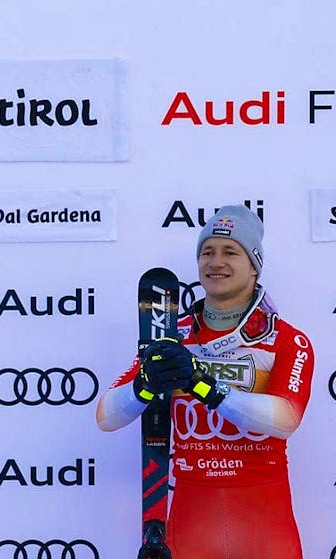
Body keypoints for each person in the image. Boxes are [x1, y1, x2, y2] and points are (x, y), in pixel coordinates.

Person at [95, 205, 314, 558]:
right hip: (191, 517)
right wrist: (145, 386)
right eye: (207, 252)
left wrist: (203, 384)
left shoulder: (286, 340)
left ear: (254, 266)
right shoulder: (170, 337)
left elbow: (285, 419)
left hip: (265, 522)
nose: (216, 262)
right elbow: (106, 416)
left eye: (230, 252)